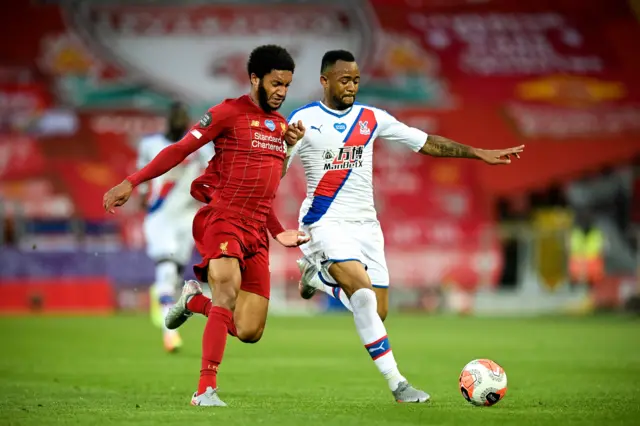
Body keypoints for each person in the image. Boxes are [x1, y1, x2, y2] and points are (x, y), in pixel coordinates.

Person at [285, 50, 525, 402]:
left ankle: (318, 280)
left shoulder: (371, 118)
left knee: (377, 313)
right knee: (364, 297)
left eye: (355, 79)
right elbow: (275, 171)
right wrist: (286, 145)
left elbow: (426, 142)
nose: (351, 85)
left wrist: (477, 153)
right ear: (325, 81)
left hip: (367, 226)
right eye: (344, 79)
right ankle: (399, 384)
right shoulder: (303, 120)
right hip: (324, 223)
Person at [102, 45, 309, 407]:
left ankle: (195, 301)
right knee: (226, 293)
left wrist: (277, 229)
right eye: (276, 83)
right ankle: (205, 390)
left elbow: (267, 187)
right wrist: (131, 182)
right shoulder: (226, 113)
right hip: (223, 219)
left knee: (249, 330)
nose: (281, 92)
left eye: (287, 85)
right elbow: (178, 150)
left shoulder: (280, 127)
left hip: (256, 230)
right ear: (255, 79)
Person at [137, 102, 212, 353]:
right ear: (167, 119)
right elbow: (143, 178)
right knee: (167, 270)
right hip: (160, 217)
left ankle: (160, 295)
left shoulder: (199, 146)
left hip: (188, 217)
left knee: (175, 274)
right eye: (175, 117)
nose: (179, 121)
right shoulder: (150, 145)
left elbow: (213, 172)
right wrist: (143, 195)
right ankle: (170, 334)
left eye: (183, 117)